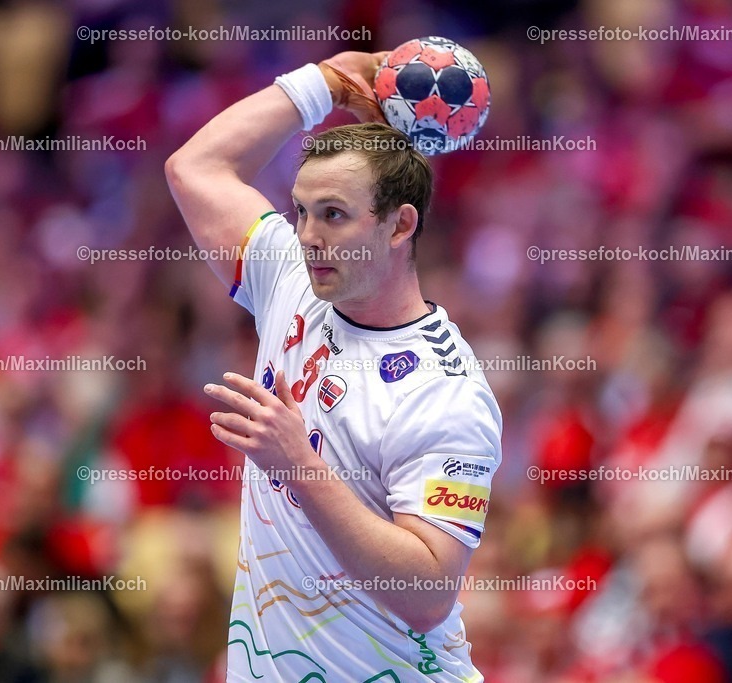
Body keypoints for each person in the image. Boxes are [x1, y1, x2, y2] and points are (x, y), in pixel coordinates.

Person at [165, 49, 503, 682]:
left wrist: (298, 465)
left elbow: (428, 594)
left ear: (400, 226)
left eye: (334, 215)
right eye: (301, 211)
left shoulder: (445, 391)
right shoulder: (292, 279)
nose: (306, 235)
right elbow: (195, 167)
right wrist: (325, 83)